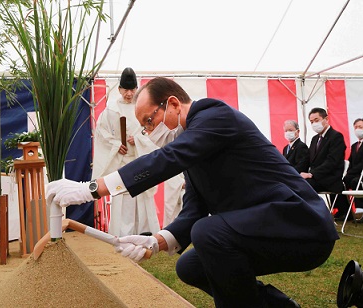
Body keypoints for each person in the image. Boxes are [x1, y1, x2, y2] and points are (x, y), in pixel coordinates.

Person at [46, 77, 338, 307]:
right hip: (269, 227)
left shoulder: (214, 116)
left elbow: (167, 159)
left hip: (302, 225)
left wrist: (93, 188)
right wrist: (155, 242)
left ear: (172, 104)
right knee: (191, 265)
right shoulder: (195, 146)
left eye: (150, 120)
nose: (149, 132)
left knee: (208, 232)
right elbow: (193, 209)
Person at [91, 67, 160, 237]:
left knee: (142, 196)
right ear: (120, 89)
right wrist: (116, 144)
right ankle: (123, 234)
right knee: (124, 198)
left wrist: (137, 140)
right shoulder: (111, 109)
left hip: (139, 159)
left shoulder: (144, 107)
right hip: (121, 161)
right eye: (125, 89)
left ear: (137, 89)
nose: (129, 93)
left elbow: (152, 131)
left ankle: (145, 232)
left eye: (132, 89)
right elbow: (101, 133)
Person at [300, 107, 348, 218]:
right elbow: (306, 160)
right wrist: (294, 172)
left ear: (326, 119)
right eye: (311, 122)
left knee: (305, 185)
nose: (314, 124)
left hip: (330, 178)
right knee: (298, 182)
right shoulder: (314, 139)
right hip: (317, 178)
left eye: (316, 120)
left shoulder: (336, 137)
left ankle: (314, 214)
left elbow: (332, 162)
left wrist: (311, 174)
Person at [343, 118, 363, 209]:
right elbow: (350, 161)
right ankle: (344, 209)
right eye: (356, 127)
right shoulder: (354, 145)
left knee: (356, 182)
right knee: (339, 183)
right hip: (354, 174)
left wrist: (352, 172)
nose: (358, 129)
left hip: (361, 174)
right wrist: (347, 172)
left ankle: (360, 209)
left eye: (360, 127)